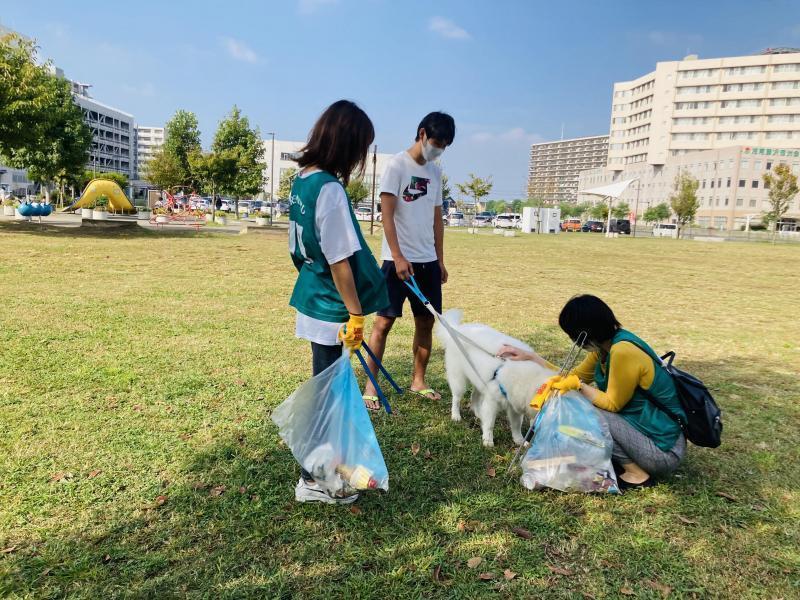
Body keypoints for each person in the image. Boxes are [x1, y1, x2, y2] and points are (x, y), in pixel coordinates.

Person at [288, 100, 389, 504]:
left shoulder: (302, 179)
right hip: (332, 306)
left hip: (313, 296)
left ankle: (324, 472)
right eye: (361, 147)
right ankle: (313, 480)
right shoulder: (328, 188)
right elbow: (340, 260)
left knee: (326, 390)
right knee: (328, 397)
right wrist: (356, 313)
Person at [498, 295, 686, 490]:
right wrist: (531, 357)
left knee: (589, 410)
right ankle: (611, 460)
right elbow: (569, 376)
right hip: (641, 433)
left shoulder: (623, 352)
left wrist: (579, 386)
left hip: (662, 449)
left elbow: (612, 404)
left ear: (584, 333)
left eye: (573, 336)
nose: (574, 342)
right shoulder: (604, 349)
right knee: (579, 405)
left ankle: (637, 474)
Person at [362, 112, 456, 410]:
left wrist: (440, 259)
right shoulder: (396, 165)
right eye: (437, 143)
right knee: (383, 323)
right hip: (396, 263)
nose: (439, 150)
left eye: (444, 146)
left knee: (426, 322)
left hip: (428, 262)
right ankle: (371, 387)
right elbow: (387, 215)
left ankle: (419, 381)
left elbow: (437, 219)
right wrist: (398, 256)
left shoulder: (435, 173)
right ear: (422, 133)